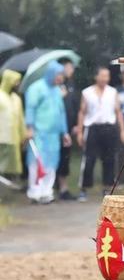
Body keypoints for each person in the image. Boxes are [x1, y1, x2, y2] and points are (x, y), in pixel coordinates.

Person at [77, 67, 124, 202]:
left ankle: (107, 187)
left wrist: (122, 130)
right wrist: (80, 131)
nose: (105, 79)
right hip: (92, 128)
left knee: (109, 159)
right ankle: (83, 188)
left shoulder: (112, 92)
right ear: (96, 77)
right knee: (89, 159)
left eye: (107, 76)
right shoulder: (87, 92)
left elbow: (118, 112)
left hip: (109, 128)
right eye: (103, 76)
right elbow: (82, 112)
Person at [24, 61, 70, 204]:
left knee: (52, 163)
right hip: (39, 133)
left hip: (54, 135)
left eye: (62, 75)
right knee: (37, 163)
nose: (61, 78)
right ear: (51, 73)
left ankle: (46, 192)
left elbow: (61, 112)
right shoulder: (35, 88)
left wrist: (65, 132)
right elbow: (30, 108)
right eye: (59, 75)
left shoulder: (57, 90)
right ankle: (35, 192)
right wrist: (30, 127)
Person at [56, 59, 79, 200]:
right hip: (56, 129)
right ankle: (57, 186)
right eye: (69, 67)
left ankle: (63, 188)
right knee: (56, 157)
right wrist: (60, 97)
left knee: (65, 157)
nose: (71, 70)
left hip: (69, 128)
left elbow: (75, 106)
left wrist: (76, 124)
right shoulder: (55, 86)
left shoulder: (71, 84)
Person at [0, 70, 26, 177]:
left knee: (11, 167)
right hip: (1, 138)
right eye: (16, 82)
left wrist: (23, 135)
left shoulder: (16, 99)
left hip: (13, 138)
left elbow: (20, 119)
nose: (17, 84)